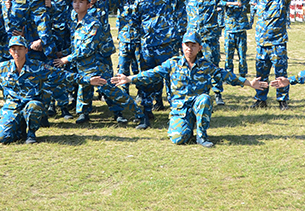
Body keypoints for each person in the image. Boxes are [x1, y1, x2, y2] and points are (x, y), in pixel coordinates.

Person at [112, 31, 267, 147]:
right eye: (187, 45)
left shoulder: (205, 65)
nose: (189, 49)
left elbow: (225, 75)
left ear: (199, 48)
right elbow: (152, 74)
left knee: (205, 99)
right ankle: (186, 124)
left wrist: (249, 83)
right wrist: (130, 79)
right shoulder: (172, 64)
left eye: (193, 46)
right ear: (182, 46)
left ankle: (202, 135)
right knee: (179, 139)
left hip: (198, 104)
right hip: (180, 109)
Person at [54, 0, 147, 128]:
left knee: (113, 92)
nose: (77, 4)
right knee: (84, 88)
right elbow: (76, 45)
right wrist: (63, 53)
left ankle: (140, 114)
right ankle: (83, 113)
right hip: (83, 67)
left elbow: (87, 49)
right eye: (75, 1)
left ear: (88, 4)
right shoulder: (75, 20)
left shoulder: (93, 24)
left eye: (81, 1)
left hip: (96, 66)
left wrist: (66, 59)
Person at [173, 0, 240, 106]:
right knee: (192, 66)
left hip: (209, 39)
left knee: (213, 65)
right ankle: (196, 92)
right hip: (193, 40)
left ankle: (217, 93)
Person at [241, 0, 294, 109]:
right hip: (262, 44)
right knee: (261, 74)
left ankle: (282, 100)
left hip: (277, 44)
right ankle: (260, 99)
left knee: (280, 73)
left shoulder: (282, 0)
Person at [221, 0, 250, 79]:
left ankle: (242, 74)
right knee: (228, 55)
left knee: (242, 55)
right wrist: (232, 3)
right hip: (229, 32)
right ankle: (229, 75)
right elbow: (219, 2)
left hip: (241, 32)